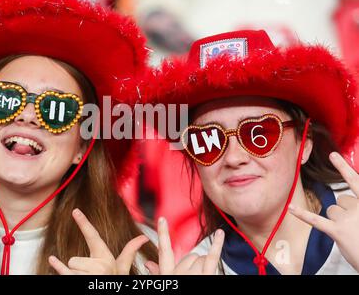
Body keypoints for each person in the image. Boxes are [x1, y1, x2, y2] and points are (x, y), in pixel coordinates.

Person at [0, 0, 157, 275]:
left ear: (81, 147)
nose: (28, 116)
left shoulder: (135, 259)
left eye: (56, 109)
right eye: (5, 100)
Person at [139, 29, 359, 275]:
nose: (233, 158)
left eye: (259, 134)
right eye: (207, 140)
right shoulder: (198, 270)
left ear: (304, 143)